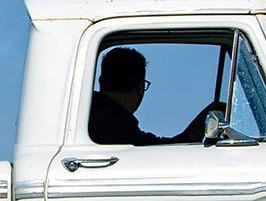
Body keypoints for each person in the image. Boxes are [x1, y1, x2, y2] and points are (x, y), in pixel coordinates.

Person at [88, 46, 225, 146]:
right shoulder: (118, 126)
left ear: (100, 80)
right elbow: (156, 151)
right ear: (140, 88)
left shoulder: (87, 113)